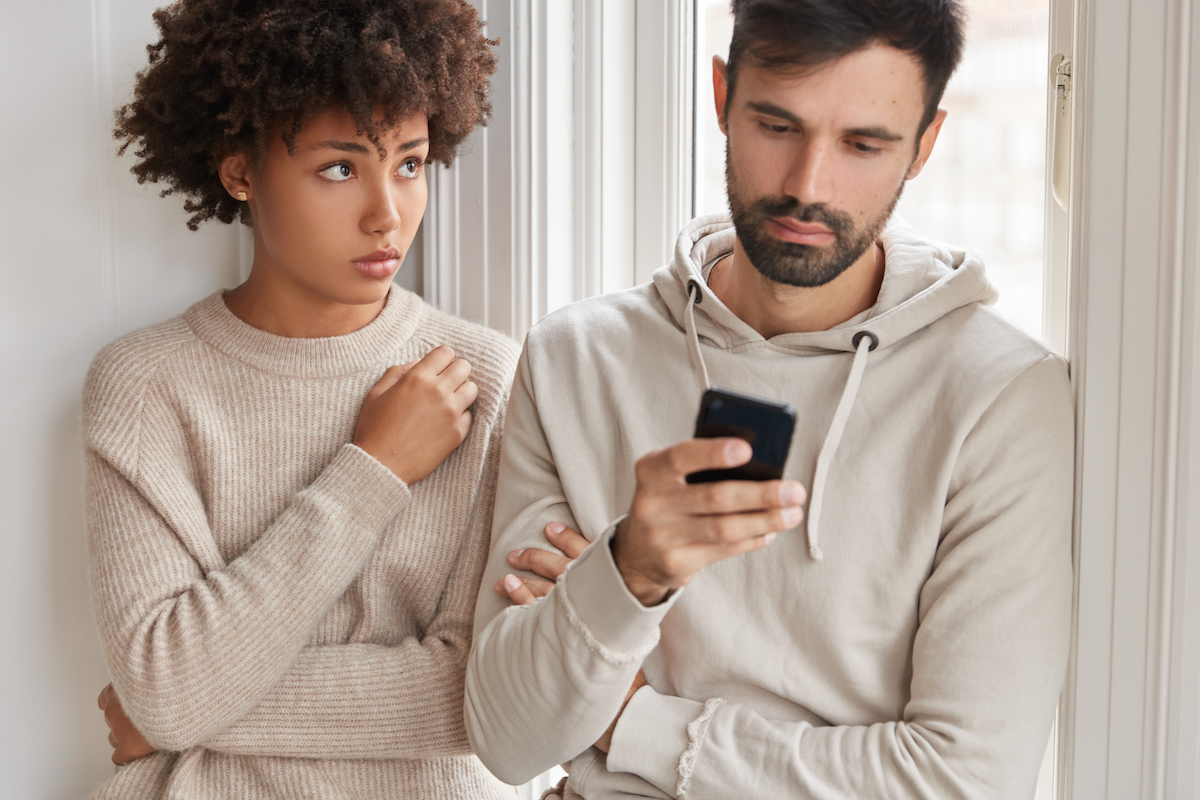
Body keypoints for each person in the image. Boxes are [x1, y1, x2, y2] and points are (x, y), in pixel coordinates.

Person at [465, 0, 1074, 797]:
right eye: (777, 126)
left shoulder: (999, 397)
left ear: (924, 145)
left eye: (863, 143)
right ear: (722, 96)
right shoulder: (577, 357)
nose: (806, 186)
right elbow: (508, 742)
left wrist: (640, 725)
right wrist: (632, 570)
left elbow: (964, 782)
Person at [84, 1, 518, 797]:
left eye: (411, 164)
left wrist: (182, 711)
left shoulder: (486, 378)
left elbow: (484, 699)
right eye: (340, 168)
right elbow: (166, 684)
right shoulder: (145, 384)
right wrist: (373, 468)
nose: (388, 213)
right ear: (240, 170)